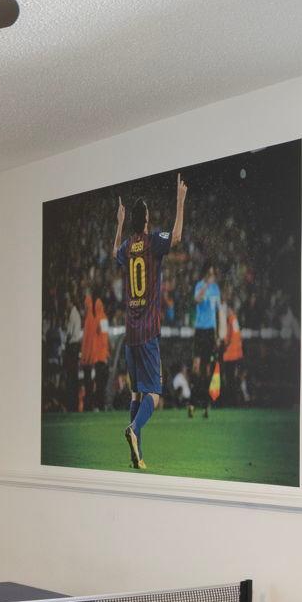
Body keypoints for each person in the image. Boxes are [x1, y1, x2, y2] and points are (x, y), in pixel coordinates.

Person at [112, 173, 187, 469]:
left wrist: (118, 224)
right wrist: (180, 201)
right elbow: (177, 237)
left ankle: (138, 456)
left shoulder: (128, 246)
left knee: (136, 392)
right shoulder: (152, 241)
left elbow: (113, 253)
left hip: (130, 334)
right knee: (153, 394)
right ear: (146, 220)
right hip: (148, 332)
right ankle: (134, 429)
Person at [189, 263, 222, 419]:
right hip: (200, 330)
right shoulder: (200, 286)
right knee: (196, 367)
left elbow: (217, 312)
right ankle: (192, 403)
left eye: (213, 274)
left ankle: (206, 405)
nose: (212, 276)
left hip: (210, 332)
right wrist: (206, 286)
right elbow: (197, 300)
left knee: (208, 369)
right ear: (205, 274)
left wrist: (217, 334)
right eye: (209, 273)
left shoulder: (216, 289)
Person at [79, 283, 111, 415]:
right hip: (100, 357)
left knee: (94, 383)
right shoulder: (101, 318)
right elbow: (104, 338)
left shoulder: (91, 320)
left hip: (94, 357)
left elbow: (90, 341)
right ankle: (99, 405)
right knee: (100, 383)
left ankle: (94, 405)